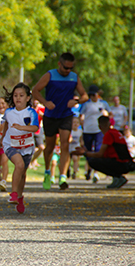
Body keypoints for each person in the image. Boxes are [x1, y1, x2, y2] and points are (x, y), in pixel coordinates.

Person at [32, 52, 88, 190]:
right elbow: (35, 91)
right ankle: (47, 172)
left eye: (70, 68)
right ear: (59, 64)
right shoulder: (50, 75)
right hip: (50, 115)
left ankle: (62, 177)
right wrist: (45, 103)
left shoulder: (74, 78)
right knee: (49, 146)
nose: (68, 70)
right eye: (65, 68)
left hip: (66, 116)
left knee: (64, 145)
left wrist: (76, 101)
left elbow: (85, 95)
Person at [0, 83, 39, 214]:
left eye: (21, 95)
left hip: (27, 147)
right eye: (15, 95)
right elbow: (6, 124)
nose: (18, 98)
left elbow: (35, 128)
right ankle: (14, 194)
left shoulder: (31, 112)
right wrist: (2, 137)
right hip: (10, 144)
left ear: (28, 98)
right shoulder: (9, 112)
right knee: (19, 164)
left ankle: (20, 197)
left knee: (22, 172)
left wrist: (22, 128)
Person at [72, 116, 135, 189]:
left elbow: (100, 154)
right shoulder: (116, 132)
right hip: (127, 162)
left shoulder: (108, 135)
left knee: (93, 162)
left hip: (120, 163)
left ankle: (118, 177)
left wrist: (84, 153)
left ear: (99, 126)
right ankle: (117, 177)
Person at [79, 85, 111, 183]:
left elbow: (110, 115)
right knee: (88, 151)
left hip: (98, 131)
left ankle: (96, 173)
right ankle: (90, 168)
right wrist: (82, 126)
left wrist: (106, 114)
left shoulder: (103, 103)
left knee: (97, 150)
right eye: (91, 95)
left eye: (95, 94)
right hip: (88, 130)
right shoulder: (86, 104)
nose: (93, 96)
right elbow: (81, 116)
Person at [29, 99, 45, 169]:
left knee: (41, 147)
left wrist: (42, 115)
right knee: (31, 148)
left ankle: (32, 161)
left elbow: (47, 118)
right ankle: (30, 163)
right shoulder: (28, 109)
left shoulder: (41, 108)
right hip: (29, 130)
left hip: (38, 130)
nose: (35, 102)